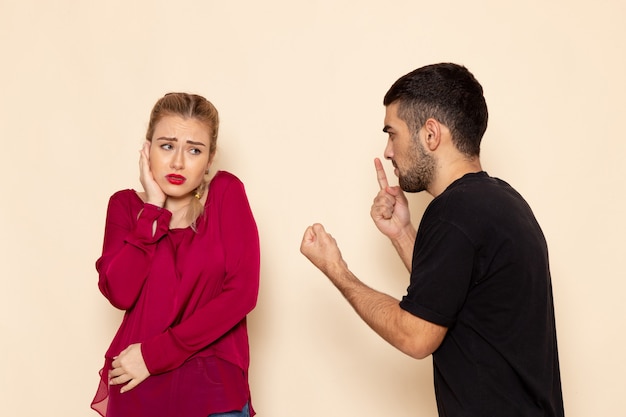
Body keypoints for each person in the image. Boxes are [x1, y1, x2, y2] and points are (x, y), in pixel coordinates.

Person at [300, 63, 564, 416]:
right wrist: (402, 233)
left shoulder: (455, 212)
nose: (388, 151)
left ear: (430, 134)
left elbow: (416, 335)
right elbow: (450, 298)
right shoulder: (502, 202)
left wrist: (336, 269)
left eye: (392, 133)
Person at [91, 93, 260, 417]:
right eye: (167, 146)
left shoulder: (225, 193)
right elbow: (120, 293)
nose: (178, 162)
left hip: (211, 390)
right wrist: (153, 208)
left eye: (194, 150)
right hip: (137, 388)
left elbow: (242, 294)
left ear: (210, 160)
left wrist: (155, 355)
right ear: (147, 149)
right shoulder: (126, 207)